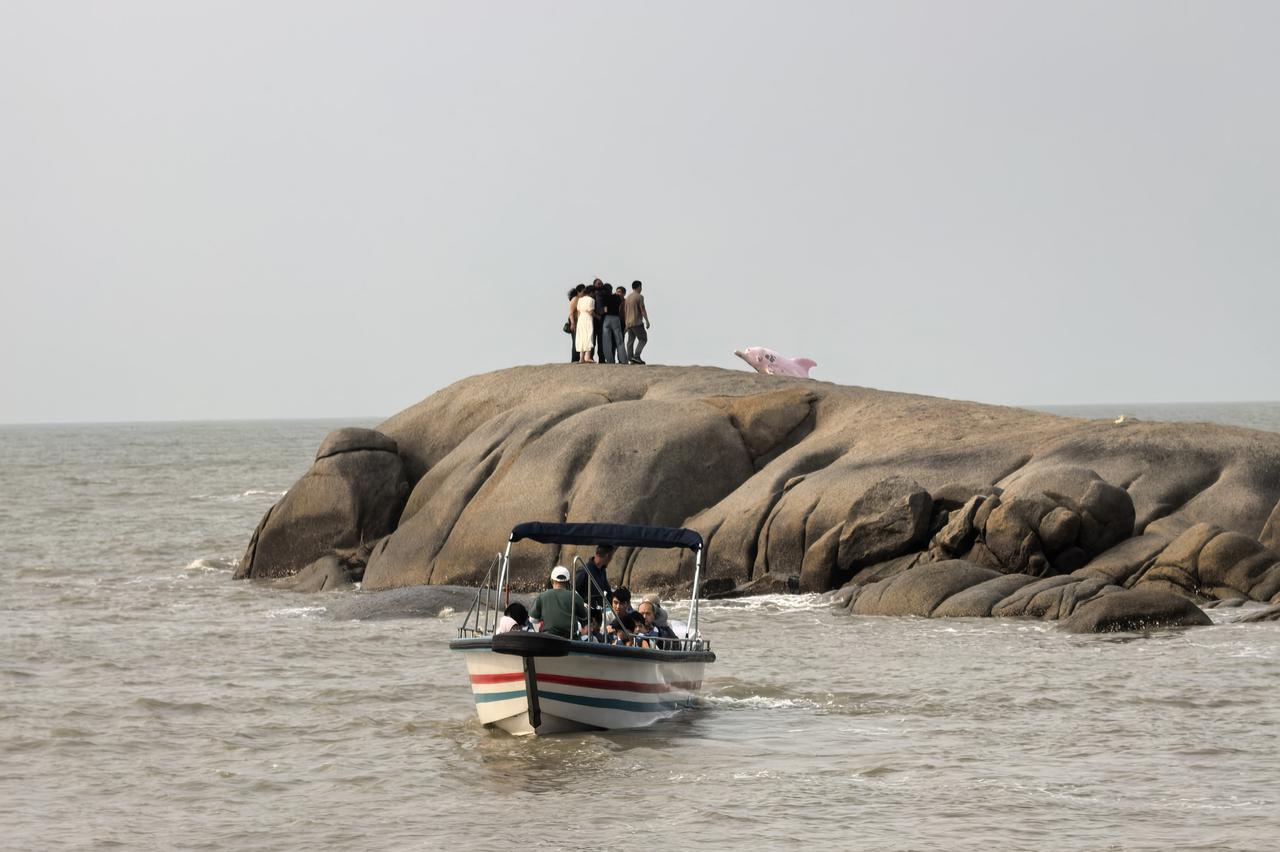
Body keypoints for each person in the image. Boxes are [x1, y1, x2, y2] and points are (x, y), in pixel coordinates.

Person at [530, 566, 588, 639]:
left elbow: (532, 619)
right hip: (569, 639)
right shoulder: (575, 596)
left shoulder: (542, 596)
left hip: (548, 638)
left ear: (552, 581)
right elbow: (584, 616)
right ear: (568, 582)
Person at [574, 545, 614, 618]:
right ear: (607, 556)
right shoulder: (584, 571)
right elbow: (572, 591)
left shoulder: (602, 571)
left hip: (598, 612)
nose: (611, 560)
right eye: (611, 557)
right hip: (585, 614)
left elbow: (608, 591)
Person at [599, 284, 627, 364]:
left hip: (607, 319)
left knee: (606, 341)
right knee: (619, 341)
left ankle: (610, 360)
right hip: (616, 318)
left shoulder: (605, 297)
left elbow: (605, 310)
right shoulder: (617, 297)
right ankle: (623, 360)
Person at [624, 281, 650, 364]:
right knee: (643, 339)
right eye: (641, 287)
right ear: (639, 287)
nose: (641, 289)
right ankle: (636, 356)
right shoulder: (639, 297)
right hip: (636, 322)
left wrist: (626, 324)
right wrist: (647, 320)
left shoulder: (627, 298)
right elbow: (642, 309)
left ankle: (630, 358)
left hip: (628, 323)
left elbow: (625, 311)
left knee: (630, 341)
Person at [572, 284, 596, 363]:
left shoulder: (580, 300)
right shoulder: (591, 300)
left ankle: (581, 358)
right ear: (591, 292)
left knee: (581, 337)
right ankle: (587, 357)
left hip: (581, 319)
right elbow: (591, 312)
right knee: (588, 336)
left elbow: (578, 312)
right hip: (587, 319)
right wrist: (597, 316)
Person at [566, 288, 581, 363]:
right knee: (576, 341)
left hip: (576, 322)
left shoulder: (577, 299)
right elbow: (571, 313)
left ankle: (576, 359)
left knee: (577, 340)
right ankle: (575, 359)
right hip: (575, 322)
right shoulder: (575, 299)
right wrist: (572, 323)